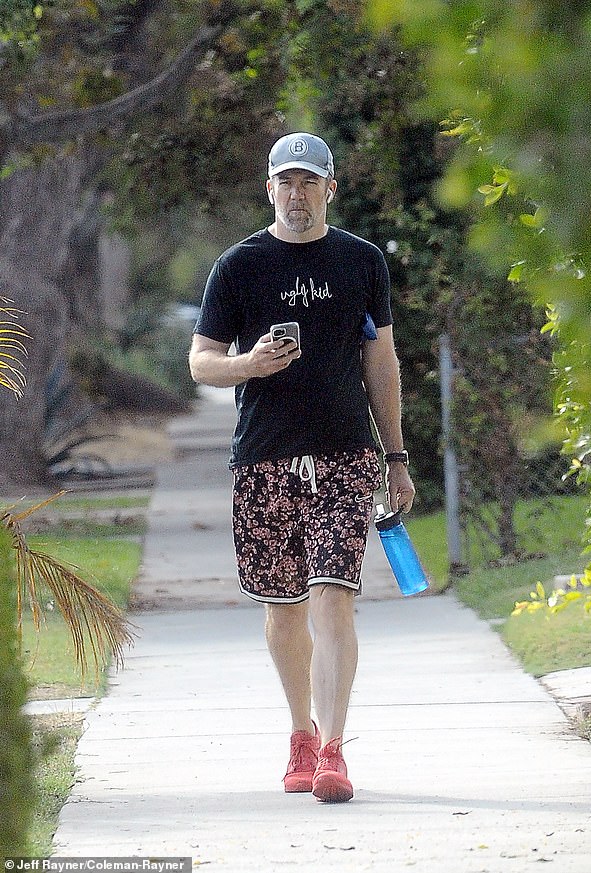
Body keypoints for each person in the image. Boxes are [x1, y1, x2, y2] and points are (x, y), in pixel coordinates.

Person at [189, 132, 415, 803]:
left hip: (347, 455)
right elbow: (200, 361)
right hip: (264, 458)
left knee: (332, 592)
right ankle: (302, 734)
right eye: (286, 182)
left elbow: (383, 364)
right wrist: (248, 364)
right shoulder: (239, 266)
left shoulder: (361, 261)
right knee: (284, 606)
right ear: (269, 189)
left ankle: (336, 753)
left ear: (330, 188)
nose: (297, 194)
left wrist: (396, 457)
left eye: (309, 182)